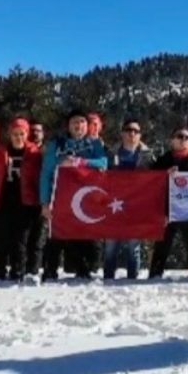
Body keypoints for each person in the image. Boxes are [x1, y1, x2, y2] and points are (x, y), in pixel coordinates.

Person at [38, 109, 108, 280]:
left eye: (82, 122)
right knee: (56, 234)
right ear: (68, 126)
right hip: (60, 197)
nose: (78, 126)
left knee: (83, 233)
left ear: (87, 126)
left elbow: (103, 162)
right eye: (74, 122)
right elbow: (46, 172)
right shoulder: (58, 144)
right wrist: (44, 202)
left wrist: (81, 162)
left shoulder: (94, 143)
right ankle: (50, 269)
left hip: (85, 198)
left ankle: (83, 269)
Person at [0, 118, 42, 280]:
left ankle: (17, 270)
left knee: (20, 240)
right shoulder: (0, 152)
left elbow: (39, 179)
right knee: (1, 239)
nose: (18, 137)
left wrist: (41, 202)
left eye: (22, 134)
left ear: (27, 134)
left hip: (25, 203)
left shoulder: (34, 153)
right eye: (15, 134)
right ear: (10, 134)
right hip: (3, 202)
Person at [149, 129, 188, 278]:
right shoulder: (163, 160)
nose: (183, 139)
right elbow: (150, 180)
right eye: (180, 136)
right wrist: (164, 174)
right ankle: (155, 275)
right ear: (172, 140)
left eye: (187, 137)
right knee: (162, 244)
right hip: (168, 208)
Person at [103, 118, 155, 280]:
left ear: (140, 135)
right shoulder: (111, 154)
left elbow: (156, 177)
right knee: (111, 244)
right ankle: (108, 278)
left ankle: (133, 279)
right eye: (128, 130)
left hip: (137, 205)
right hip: (114, 204)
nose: (132, 133)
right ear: (122, 133)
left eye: (135, 131)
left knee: (134, 246)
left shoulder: (148, 155)